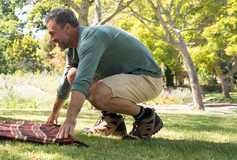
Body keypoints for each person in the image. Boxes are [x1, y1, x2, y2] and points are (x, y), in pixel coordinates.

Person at [44, 8, 165, 141]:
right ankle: (113, 122)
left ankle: (146, 117)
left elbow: (83, 81)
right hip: (126, 78)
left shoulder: (91, 39)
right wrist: (54, 112)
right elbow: (66, 80)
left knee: (98, 94)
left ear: (67, 28)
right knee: (73, 74)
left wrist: (70, 119)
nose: (51, 39)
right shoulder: (73, 49)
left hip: (149, 79)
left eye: (52, 33)